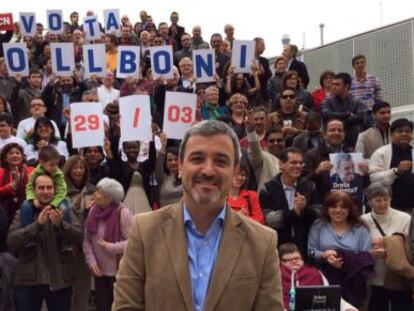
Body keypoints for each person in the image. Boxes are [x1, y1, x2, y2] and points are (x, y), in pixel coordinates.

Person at [112, 120, 284, 310]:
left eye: (220, 161)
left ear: (235, 171)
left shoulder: (263, 242)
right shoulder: (144, 231)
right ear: (180, 166)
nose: (208, 170)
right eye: (197, 159)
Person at [8, 174, 83, 311]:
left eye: (49, 187)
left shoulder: (65, 210)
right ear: (34, 190)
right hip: (27, 280)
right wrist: (36, 226)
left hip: (60, 279)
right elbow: (12, 242)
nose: (45, 191)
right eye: (41, 188)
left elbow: (79, 237)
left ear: (55, 190)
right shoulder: (23, 212)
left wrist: (61, 225)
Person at [308, 191, 373, 308]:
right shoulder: (318, 225)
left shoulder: (360, 229)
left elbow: (366, 256)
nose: (338, 210)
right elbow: (311, 251)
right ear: (327, 208)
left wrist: (343, 258)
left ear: (349, 209)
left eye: (343, 207)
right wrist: (324, 255)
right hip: (325, 281)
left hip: (354, 283)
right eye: (333, 206)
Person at [360, 183, 412, 311]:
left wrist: (390, 248)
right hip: (374, 277)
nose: (382, 203)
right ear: (370, 202)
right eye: (378, 200)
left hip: (399, 278)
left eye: (386, 199)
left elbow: (410, 246)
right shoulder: (363, 220)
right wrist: (370, 251)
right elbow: (359, 248)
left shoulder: (405, 218)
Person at [83, 178, 132, 311]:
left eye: (99, 192)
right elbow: (86, 240)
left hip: (119, 273)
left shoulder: (123, 213)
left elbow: (132, 242)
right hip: (99, 273)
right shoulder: (93, 211)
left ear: (109, 198)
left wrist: (110, 247)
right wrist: (91, 263)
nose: (94, 194)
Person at [260, 148, 319, 258]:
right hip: (277, 247)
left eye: (300, 163)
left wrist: (305, 209)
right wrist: (294, 212)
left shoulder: (310, 186)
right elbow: (269, 219)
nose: (298, 166)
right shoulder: (267, 188)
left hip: (305, 245)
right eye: (293, 162)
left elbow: (318, 213)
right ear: (281, 164)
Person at [63, 155, 95, 311]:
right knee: (66, 287)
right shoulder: (60, 190)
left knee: (83, 286)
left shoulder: (93, 190)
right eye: (75, 168)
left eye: (81, 168)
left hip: (87, 244)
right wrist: (76, 209)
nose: (78, 171)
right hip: (66, 243)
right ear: (68, 170)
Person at [369, 118, 414, 213]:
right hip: (388, 208)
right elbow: (373, 178)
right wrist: (396, 171)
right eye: (400, 131)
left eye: (408, 131)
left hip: (411, 208)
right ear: (391, 134)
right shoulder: (380, 153)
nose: (404, 134)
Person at [320, 72, 366, 148]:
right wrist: (347, 114)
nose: (333, 87)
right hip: (332, 144)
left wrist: (338, 119)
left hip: (353, 143)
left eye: (337, 84)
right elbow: (326, 115)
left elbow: (361, 117)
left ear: (346, 86)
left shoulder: (356, 101)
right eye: (333, 84)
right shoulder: (327, 101)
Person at [0, 143, 33, 226]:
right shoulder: (0, 172)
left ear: (22, 157)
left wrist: (24, 179)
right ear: (5, 158)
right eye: (11, 153)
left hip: (26, 207)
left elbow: (34, 190)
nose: (14, 155)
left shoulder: (31, 170)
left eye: (17, 153)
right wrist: (11, 186)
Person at [350, 54, 382, 126]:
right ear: (353, 66)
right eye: (357, 63)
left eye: (362, 62)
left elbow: (379, 99)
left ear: (365, 64)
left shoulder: (374, 79)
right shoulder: (349, 81)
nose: (360, 65)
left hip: (370, 113)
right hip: (355, 114)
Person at [155, 133, 182, 207]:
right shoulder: (162, 178)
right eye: (169, 160)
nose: (173, 162)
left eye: (176, 159)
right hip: (165, 216)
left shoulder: (186, 177)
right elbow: (159, 163)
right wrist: (163, 145)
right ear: (165, 163)